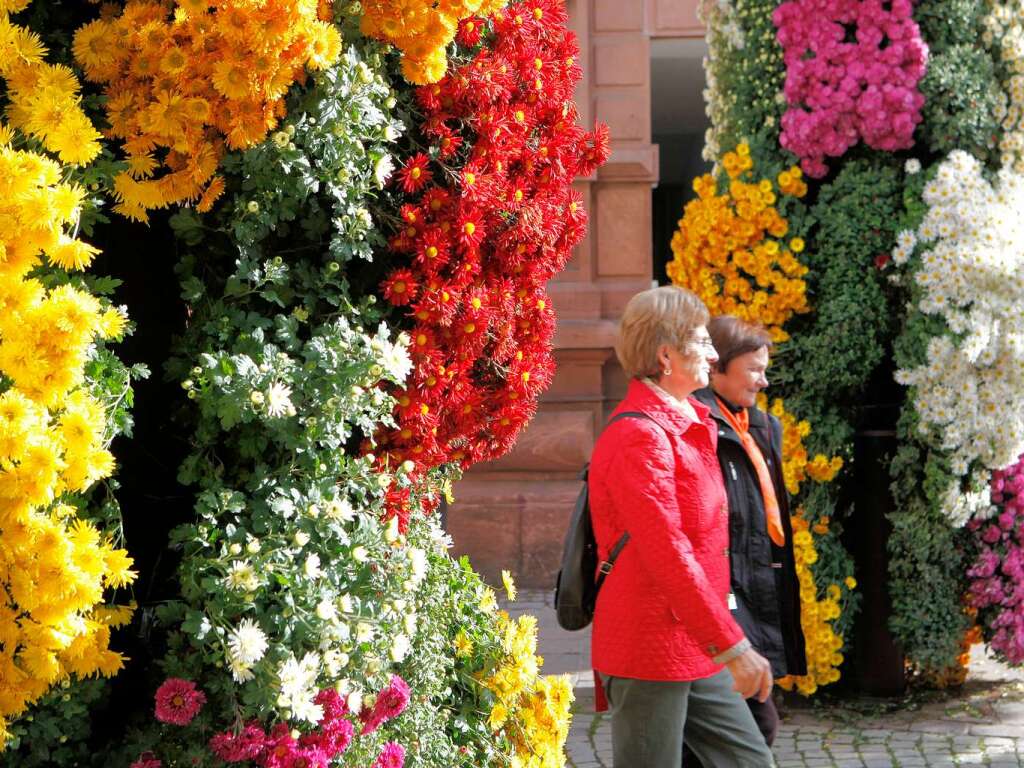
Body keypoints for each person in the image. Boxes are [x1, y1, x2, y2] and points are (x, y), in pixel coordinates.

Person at [589, 286, 775, 768]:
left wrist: (726, 637)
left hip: (694, 640)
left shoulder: (689, 423)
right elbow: (668, 551)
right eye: (702, 342)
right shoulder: (639, 436)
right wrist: (734, 646)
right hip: (649, 645)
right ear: (666, 355)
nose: (714, 355)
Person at [688, 315, 807, 758]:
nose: (764, 381)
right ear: (718, 368)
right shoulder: (696, 423)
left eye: (764, 369)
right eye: (754, 370)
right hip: (720, 597)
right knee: (754, 725)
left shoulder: (761, 426)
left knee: (730, 727)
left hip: (757, 591)